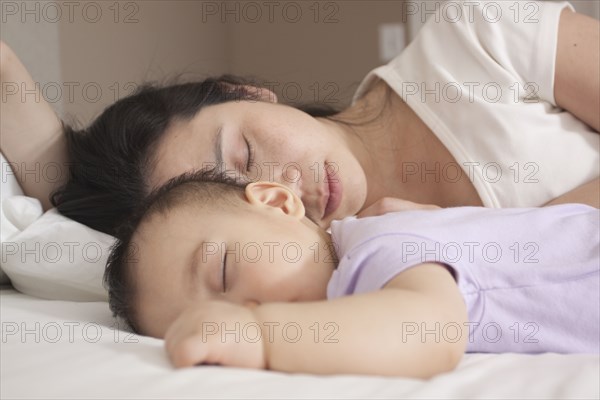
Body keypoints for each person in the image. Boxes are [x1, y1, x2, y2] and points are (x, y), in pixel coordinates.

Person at [1, 1, 598, 237]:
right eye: (243, 202)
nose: (283, 193)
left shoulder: (479, 36)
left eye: (245, 157)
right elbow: (71, 232)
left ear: (249, 93)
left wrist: (512, 237)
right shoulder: (333, 261)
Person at [104, 169, 600, 378]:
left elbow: (429, 331)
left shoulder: (373, 250)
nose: (240, 312)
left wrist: (258, 335)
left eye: (225, 272)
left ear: (277, 202)